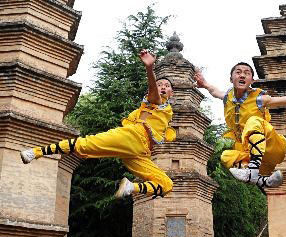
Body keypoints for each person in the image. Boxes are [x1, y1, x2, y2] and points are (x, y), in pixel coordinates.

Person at [20, 50, 176, 198]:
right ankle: (36, 152)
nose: (162, 86)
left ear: (172, 93)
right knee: (85, 144)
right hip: (132, 137)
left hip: (141, 151)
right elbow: (153, 90)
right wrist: (149, 68)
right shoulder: (154, 102)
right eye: (160, 84)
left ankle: (130, 187)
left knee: (166, 184)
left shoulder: (167, 111)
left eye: (166, 86)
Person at [195, 63, 286, 188]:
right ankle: (262, 180)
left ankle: (253, 169)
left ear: (252, 80)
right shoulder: (227, 97)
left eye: (246, 73)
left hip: (270, 148)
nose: (242, 75)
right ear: (231, 79)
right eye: (238, 72)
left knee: (253, 122)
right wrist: (204, 84)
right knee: (226, 157)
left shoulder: (259, 98)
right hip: (251, 155)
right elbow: (215, 91)